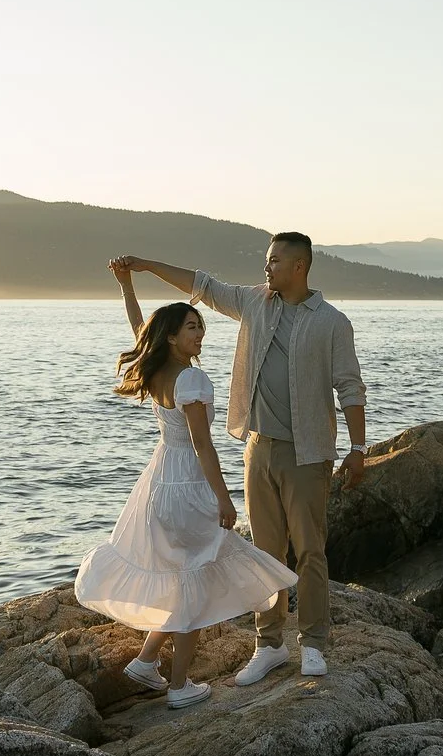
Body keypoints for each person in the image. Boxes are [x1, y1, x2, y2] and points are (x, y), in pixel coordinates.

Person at [108, 233, 364, 684]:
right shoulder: (254, 303)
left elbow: (349, 387)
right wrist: (147, 265)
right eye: (267, 261)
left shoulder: (331, 322)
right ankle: (269, 645)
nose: (267, 268)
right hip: (258, 448)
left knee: (309, 551)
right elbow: (203, 284)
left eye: (274, 261)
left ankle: (314, 644)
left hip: (307, 454)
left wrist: (359, 449)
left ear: (299, 266)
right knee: (264, 554)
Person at [72, 266, 297, 709]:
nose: (201, 334)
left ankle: (147, 660)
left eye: (201, 327)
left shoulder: (156, 369)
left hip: (159, 482)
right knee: (196, 583)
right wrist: (223, 496)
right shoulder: (190, 379)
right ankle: (179, 687)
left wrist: (126, 286)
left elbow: (141, 329)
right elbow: (202, 443)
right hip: (189, 483)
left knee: (184, 577)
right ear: (172, 337)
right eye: (192, 327)